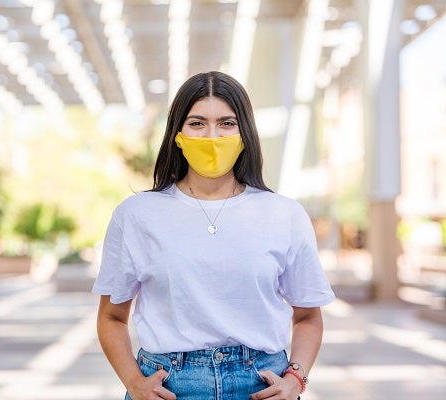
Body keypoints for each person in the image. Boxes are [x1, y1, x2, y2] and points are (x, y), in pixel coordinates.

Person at [92, 71, 335, 400]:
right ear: (177, 134)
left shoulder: (284, 214)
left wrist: (296, 380)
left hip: (261, 384)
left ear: (244, 132)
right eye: (196, 123)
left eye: (226, 123)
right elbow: (111, 317)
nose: (212, 136)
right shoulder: (137, 214)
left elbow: (308, 317)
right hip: (167, 387)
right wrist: (134, 383)